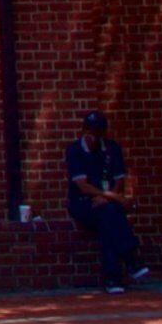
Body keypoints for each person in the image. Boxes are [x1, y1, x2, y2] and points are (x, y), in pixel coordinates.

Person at [64, 110, 148, 291]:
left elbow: (118, 180)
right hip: (84, 202)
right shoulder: (75, 151)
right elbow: (82, 185)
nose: (94, 137)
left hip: (106, 203)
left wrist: (107, 197)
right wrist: (112, 197)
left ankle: (113, 278)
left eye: (98, 133)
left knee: (107, 220)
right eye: (91, 132)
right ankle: (131, 258)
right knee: (111, 212)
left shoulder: (111, 148)